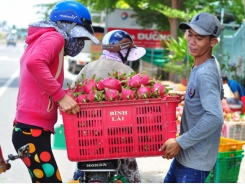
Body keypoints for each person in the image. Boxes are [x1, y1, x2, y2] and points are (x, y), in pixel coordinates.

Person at [12, 1, 99, 183]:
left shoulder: (42, 38)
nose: (79, 43)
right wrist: (60, 96)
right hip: (31, 130)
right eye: (79, 37)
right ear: (66, 25)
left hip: (30, 128)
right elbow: (34, 64)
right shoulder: (55, 38)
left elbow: (36, 82)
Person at [71, 30, 146, 183]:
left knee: (79, 170)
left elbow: (72, 93)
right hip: (118, 137)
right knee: (131, 170)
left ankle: (77, 176)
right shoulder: (127, 71)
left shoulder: (89, 68)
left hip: (88, 135)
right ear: (123, 51)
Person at [159, 12, 224, 183]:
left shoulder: (205, 73)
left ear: (213, 42)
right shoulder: (207, 62)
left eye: (200, 38)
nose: (192, 42)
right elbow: (219, 94)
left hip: (195, 164)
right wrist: (190, 96)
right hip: (186, 157)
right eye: (190, 34)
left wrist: (180, 142)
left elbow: (215, 117)